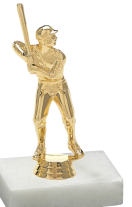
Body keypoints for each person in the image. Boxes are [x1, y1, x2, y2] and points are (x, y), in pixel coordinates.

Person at [13, 26, 84, 161]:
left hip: (59, 86)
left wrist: (35, 68)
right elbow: (15, 44)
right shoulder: (33, 51)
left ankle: (72, 142)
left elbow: (53, 75)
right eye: (52, 36)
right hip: (43, 87)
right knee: (38, 119)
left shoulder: (60, 55)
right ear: (42, 39)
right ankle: (41, 146)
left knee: (69, 117)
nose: (55, 38)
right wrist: (26, 56)